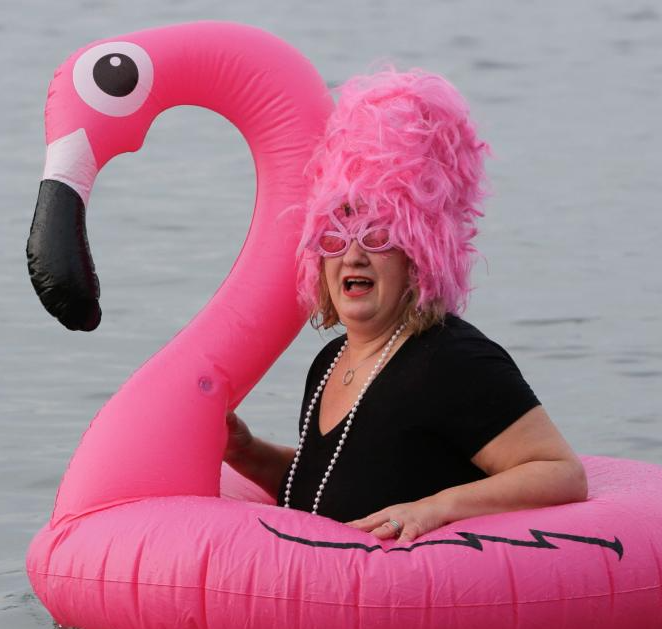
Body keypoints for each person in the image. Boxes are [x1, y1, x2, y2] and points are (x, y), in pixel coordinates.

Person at [224, 69, 587, 543]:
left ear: (419, 252)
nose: (353, 254)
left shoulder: (453, 360)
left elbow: (560, 472)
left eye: (377, 235)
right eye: (336, 235)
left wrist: (437, 508)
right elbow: (332, 489)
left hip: (429, 600)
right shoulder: (330, 362)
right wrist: (246, 451)